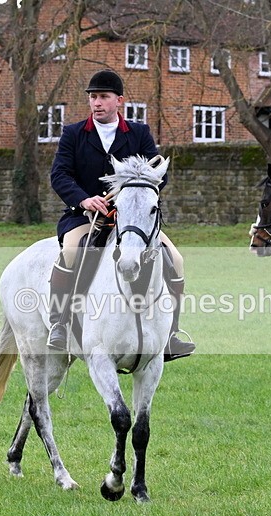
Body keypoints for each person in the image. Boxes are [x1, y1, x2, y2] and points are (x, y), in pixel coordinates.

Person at [47, 69, 195, 360]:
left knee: (175, 259)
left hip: (133, 219)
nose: (97, 103)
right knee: (73, 251)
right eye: (93, 97)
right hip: (85, 217)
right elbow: (60, 175)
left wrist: (134, 191)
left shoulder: (139, 133)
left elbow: (157, 175)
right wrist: (84, 200)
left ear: (119, 101)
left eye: (103, 97)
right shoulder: (74, 134)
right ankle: (60, 323)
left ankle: (171, 335)